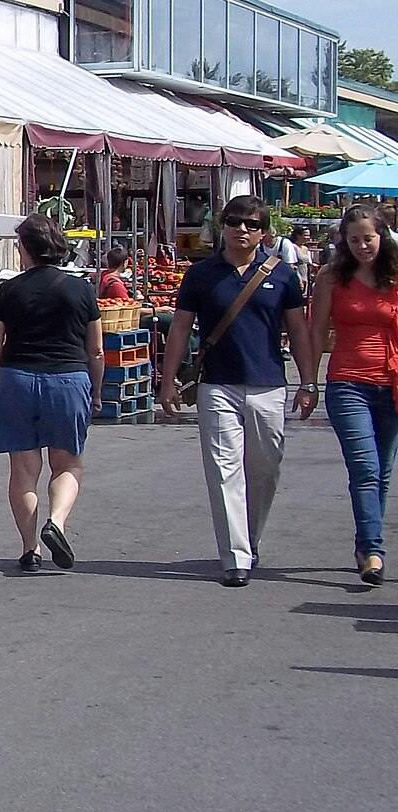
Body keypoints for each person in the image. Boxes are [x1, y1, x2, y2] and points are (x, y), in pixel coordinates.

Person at [158, 195, 317, 586]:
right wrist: (168, 379)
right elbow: (180, 327)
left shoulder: (281, 276)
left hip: (268, 384)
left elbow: (297, 330)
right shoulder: (202, 274)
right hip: (216, 385)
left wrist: (308, 380)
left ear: (264, 232)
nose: (241, 229)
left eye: (250, 224)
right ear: (222, 226)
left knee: (265, 469)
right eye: (233, 221)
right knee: (223, 469)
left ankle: (250, 538)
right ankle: (235, 556)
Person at [0, 215, 103, 573]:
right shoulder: (81, 290)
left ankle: (30, 547)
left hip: (17, 378)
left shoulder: (9, 290)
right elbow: (95, 349)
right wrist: (95, 390)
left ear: (26, 249)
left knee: (23, 469)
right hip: (67, 379)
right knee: (67, 464)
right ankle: (58, 522)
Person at [308, 204, 398, 586]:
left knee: (383, 472)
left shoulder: (394, 276)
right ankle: (374, 550)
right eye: (355, 239)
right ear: (344, 242)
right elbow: (315, 331)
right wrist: (308, 383)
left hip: (392, 382)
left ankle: (365, 545)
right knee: (365, 469)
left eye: (369, 238)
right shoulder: (331, 278)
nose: (363, 245)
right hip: (348, 381)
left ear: (384, 236)